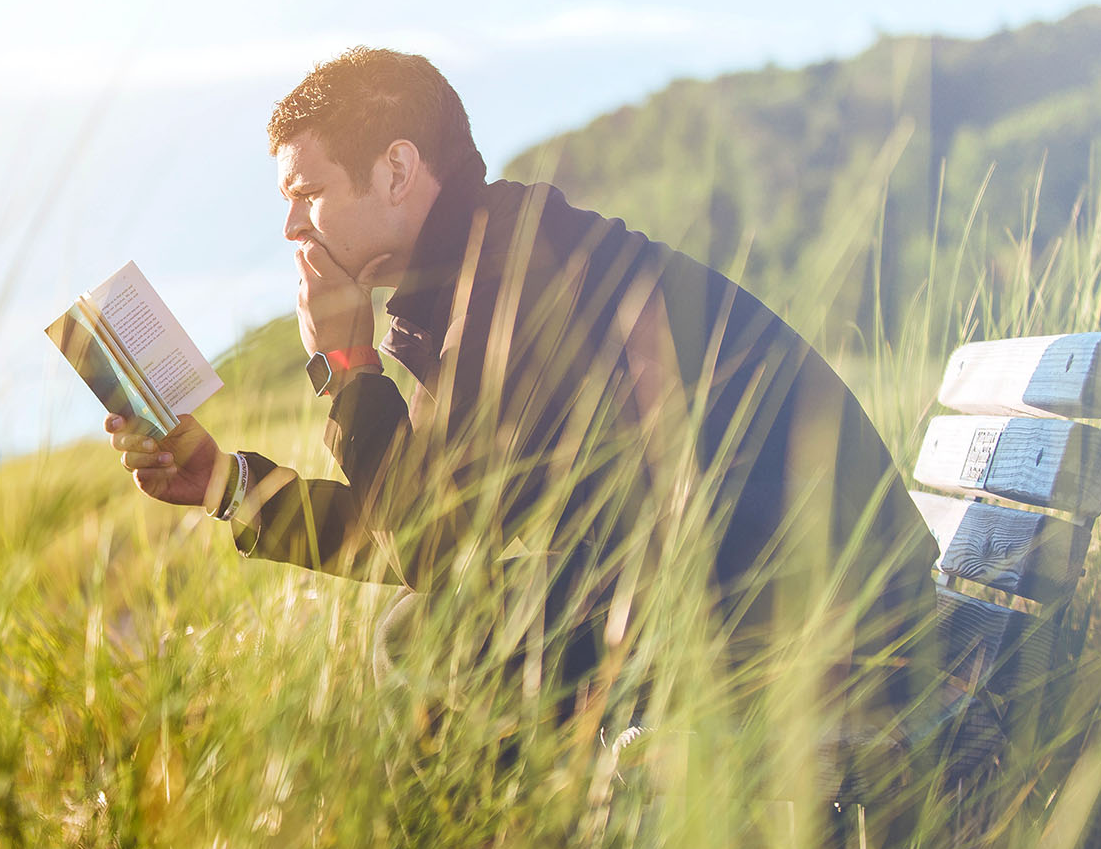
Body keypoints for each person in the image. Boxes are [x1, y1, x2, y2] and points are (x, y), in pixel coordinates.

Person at [105, 45, 939, 731]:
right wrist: (223, 482)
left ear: (397, 169)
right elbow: (432, 523)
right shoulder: (482, 269)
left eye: (308, 194)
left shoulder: (520, 280)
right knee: (452, 630)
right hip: (769, 589)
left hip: (836, 621)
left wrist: (350, 369)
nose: (291, 229)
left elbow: (425, 547)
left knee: (435, 639)